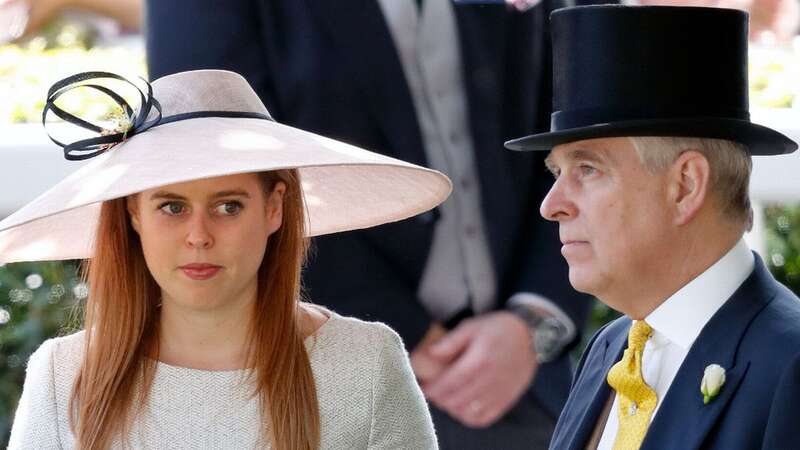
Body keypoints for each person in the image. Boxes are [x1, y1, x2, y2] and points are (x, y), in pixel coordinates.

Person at [144, 1, 594, 448]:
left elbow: (572, 130)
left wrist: (532, 323)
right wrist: (403, 336)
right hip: (314, 383)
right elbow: (215, 164)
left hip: (525, 388)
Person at [3, 69, 450, 449]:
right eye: (172, 207)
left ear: (274, 207)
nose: (199, 236)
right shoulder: (65, 374)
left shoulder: (365, 363)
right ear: (133, 213)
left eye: (228, 206)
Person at [505, 5, 800, 450]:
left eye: (587, 169)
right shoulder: (612, 346)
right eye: (555, 173)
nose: (553, 205)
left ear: (684, 185)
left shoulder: (790, 366)